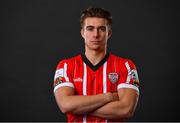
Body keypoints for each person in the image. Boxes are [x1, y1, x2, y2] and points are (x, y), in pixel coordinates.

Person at [53, 7, 140, 122]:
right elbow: (65, 105)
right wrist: (108, 97)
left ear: (109, 33)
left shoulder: (126, 66)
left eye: (101, 29)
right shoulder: (66, 66)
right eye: (90, 29)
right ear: (82, 33)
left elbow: (126, 109)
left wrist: (78, 107)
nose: (96, 34)